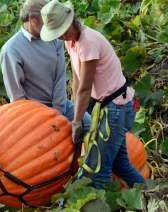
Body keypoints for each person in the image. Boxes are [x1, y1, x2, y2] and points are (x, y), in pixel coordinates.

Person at [40, 0, 145, 188]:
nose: (62, 36)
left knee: (98, 170)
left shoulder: (88, 41)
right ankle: (151, 192)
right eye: (58, 34)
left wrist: (78, 121)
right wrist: (74, 113)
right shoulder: (71, 42)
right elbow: (77, 81)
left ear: (72, 21)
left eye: (63, 31)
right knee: (120, 165)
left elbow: (86, 88)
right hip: (105, 106)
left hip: (116, 107)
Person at [0, 0, 90, 133]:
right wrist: (42, 121)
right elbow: (17, 97)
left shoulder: (54, 37)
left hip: (60, 105)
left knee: (91, 127)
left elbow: (60, 76)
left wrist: (57, 113)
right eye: (45, 22)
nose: (51, 27)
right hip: (33, 115)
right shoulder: (11, 50)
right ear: (32, 19)